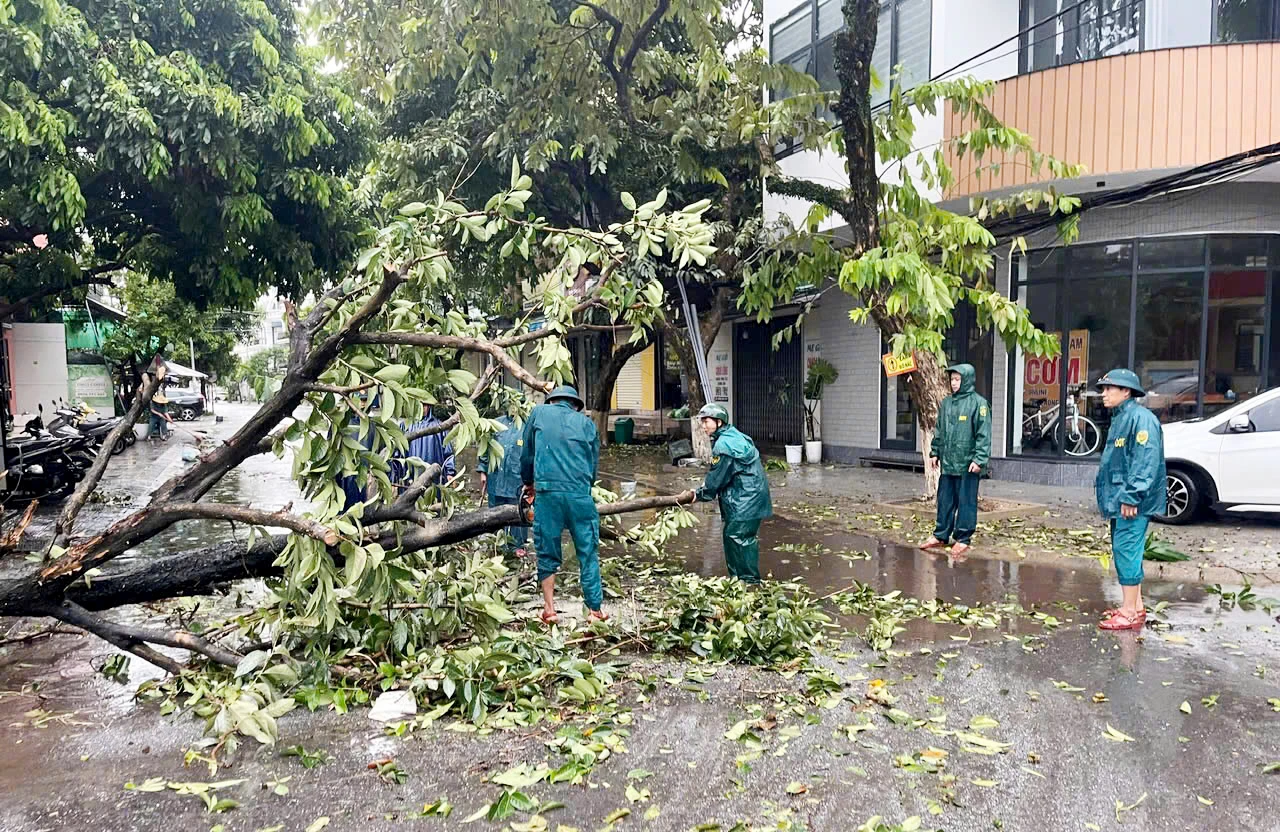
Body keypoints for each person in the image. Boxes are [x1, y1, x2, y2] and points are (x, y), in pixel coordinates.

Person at [520, 385, 605, 624]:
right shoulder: (587, 424)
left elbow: (527, 454)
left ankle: (549, 609)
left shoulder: (538, 413)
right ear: (575, 405)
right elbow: (593, 465)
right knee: (588, 551)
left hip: (548, 494)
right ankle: (595, 611)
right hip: (580, 495)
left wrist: (528, 483)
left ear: (552, 401)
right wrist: (583, 490)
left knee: (547, 550)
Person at [1094, 369, 1166, 631]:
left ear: (1126, 391)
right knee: (1126, 550)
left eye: (1109, 389)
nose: (1103, 394)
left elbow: (1144, 462)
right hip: (1121, 498)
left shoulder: (1140, 419)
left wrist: (1132, 497)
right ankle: (1135, 607)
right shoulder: (1122, 418)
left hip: (1132, 501)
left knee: (1126, 550)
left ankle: (1128, 612)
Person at [679, 403, 772, 584]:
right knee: (741, 538)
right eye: (702, 422)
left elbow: (716, 478)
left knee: (737, 538)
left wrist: (699, 494)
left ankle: (747, 582)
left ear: (719, 422)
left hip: (744, 501)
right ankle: (741, 581)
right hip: (753, 497)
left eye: (707, 422)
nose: (704, 426)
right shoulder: (735, 435)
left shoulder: (723, 445)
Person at [920, 363, 991, 557]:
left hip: (968, 464)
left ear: (967, 379)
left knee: (966, 502)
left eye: (958, 379)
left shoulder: (979, 404)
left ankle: (963, 538)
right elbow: (939, 429)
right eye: (952, 379)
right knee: (945, 501)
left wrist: (979, 459)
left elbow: (983, 434)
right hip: (949, 462)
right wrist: (935, 452)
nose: (954, 383)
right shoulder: (947, 403)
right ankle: (941, 535)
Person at [477, 413, 528, 554]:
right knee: (495, 514)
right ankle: (496, 546)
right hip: (496, 478)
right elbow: (485, 448)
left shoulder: (527, 425)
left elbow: (532, 454)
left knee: (517, 513)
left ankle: (517, 547)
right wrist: (483, 471)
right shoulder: (495, 424)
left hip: (517, 480)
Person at [400, 404, 457, 487]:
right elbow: (398, 453)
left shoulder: (439, 426)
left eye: (424, 405)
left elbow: (448, 452)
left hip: (434, 479)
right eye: (419, 404)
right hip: (410, 478)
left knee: (432, 496)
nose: (422, 408)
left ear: (429, 407)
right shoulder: (405, 426)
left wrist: (450, 473)